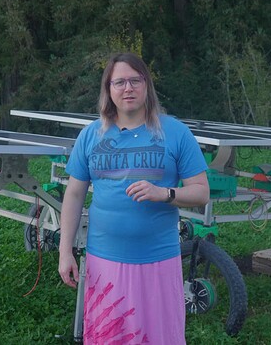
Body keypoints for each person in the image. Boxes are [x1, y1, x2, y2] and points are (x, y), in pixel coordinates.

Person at [58, 52, 210, 344]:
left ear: (146, 85)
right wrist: (66, 252)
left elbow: (201, 191)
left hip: (158, 260)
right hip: (105, 261)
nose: (127, 88)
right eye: (119, 82)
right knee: (109, 336)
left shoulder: (175, 132)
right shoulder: (91, 135)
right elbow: (74, 194)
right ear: (108, 90)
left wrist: (164, 194)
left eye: (135, 80)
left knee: (158, 337)